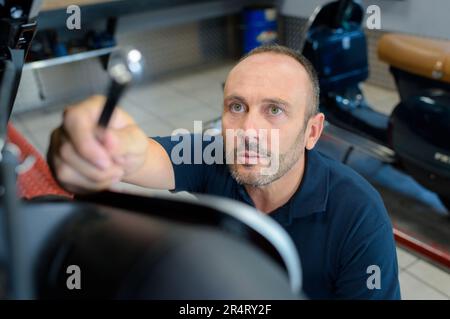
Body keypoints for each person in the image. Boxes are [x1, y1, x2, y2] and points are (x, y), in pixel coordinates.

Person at [47, 45, 401, 299]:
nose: (248, 130)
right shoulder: (214, 154)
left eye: (274, 110)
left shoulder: (358, 215)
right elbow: (140, 157)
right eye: (237, 106)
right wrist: (93, 145)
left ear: (312, 132)